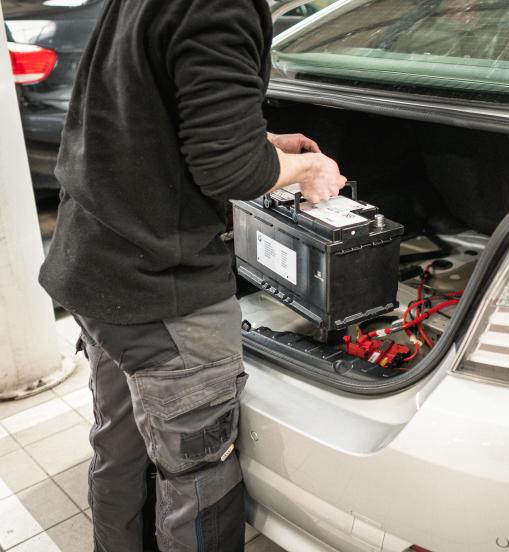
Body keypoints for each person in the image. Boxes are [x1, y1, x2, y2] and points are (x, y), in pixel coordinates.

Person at [38, 0, 346, 550]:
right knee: (199, 476)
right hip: (162, 295)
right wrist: (308, 168)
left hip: (94, 261)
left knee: (121, 443)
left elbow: (146, 113)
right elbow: (228, 170)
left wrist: (265, 144)